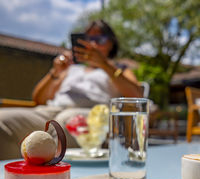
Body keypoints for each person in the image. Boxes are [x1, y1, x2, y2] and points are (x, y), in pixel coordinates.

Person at [0, 20, 142, 159]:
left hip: (91, 115)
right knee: (3, 120)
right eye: (88, 39)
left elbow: (136, 96)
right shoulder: (71, 69)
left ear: (111, 43)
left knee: (66, 123)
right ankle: (10, 177)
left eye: (100, 39)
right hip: (50, 111)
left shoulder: (119, 69)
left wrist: (104, 65)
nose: (93, 44)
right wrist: (55, 72)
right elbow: (39, 99)